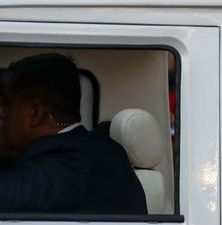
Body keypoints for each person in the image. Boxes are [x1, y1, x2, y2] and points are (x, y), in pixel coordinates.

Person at [0, 53, 147, 214]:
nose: (2, 113)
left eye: (7, 105)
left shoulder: (72, 164)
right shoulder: (100, 148)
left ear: (35, 113)